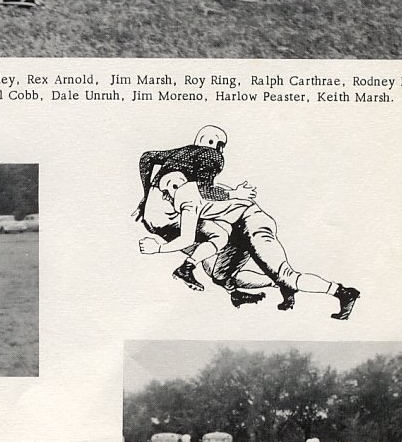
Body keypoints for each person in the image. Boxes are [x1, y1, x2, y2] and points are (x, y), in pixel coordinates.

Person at [137, 125, 361, 319]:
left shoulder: (192, 185)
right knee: (219, 275)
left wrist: (159, 245)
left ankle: (342, 292)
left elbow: (152, 161)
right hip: (233, 229)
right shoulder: (189, 182)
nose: (169, 191)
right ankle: (277, 284)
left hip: (251, 222)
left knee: (287, 275)